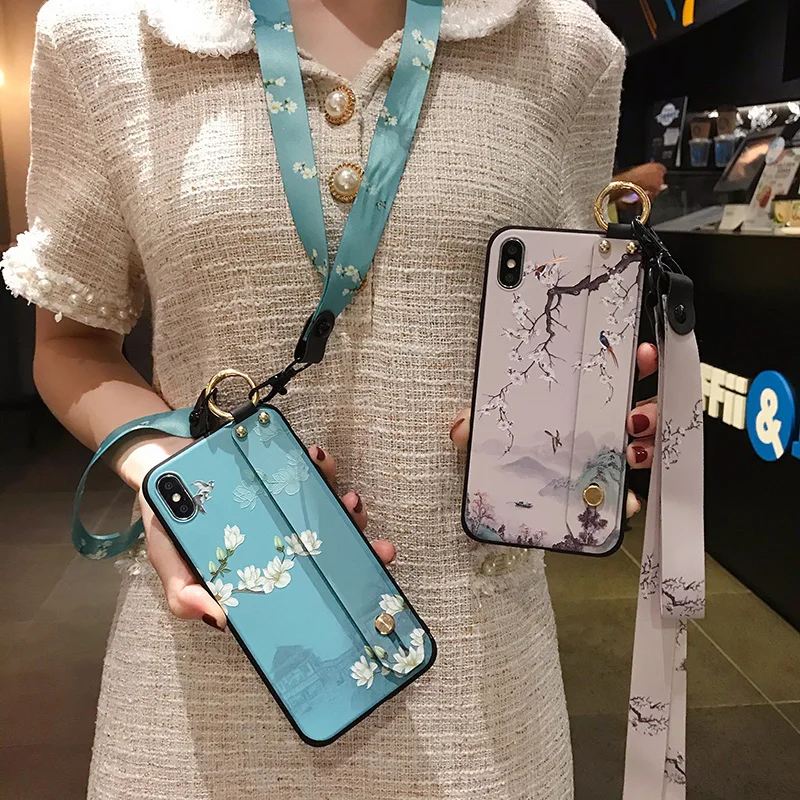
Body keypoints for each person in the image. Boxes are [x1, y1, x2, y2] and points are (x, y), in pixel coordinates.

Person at [2, 0, 660, 797]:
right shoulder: (104, 38)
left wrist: (559, 432)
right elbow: (69, 343)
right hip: (211, 662)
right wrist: (168, 470)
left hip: (482, 697)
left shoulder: (566, 46)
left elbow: (558, 316)